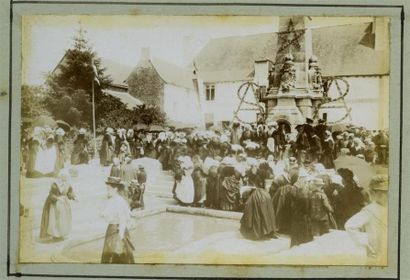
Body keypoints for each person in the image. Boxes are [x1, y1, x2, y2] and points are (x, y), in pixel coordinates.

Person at [345, 175, 388, 264]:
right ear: (373, 193)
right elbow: (350, 225)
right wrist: (365, 242)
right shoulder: (369, 211)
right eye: (381, 192)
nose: (386, 196)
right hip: (376, 251)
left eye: (387, 192)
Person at [100, 176, 135, 264]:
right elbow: (105, 214)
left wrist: (120, 236)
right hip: (111, 228)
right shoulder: (111, 200)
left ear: (115, 189)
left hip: (118, 230)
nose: (107, 190)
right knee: (109, 252)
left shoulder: (119, 201)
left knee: (116, 253)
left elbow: (123, 219)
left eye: (109, 189)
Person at [240, 164, 278, 240]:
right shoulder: (266, 177)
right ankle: (267, 230)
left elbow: (254, 187)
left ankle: (258, 231)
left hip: (257, 195)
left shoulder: (254, 176)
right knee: (266, 212)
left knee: (254, 212)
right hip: (265, 195)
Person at [39, 170, 77, 241]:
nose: (64, 179)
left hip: (64, 204)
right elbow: (51, 195)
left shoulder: (68, 184)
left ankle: (61, 234)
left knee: (63, 219)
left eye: (65, 178)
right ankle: (55, 234)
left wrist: (74, 197)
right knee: (55, 219)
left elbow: (69, 192)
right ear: (60, 177)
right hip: (55, 205)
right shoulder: (55, 185)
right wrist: (57, 198)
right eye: (63, 178)